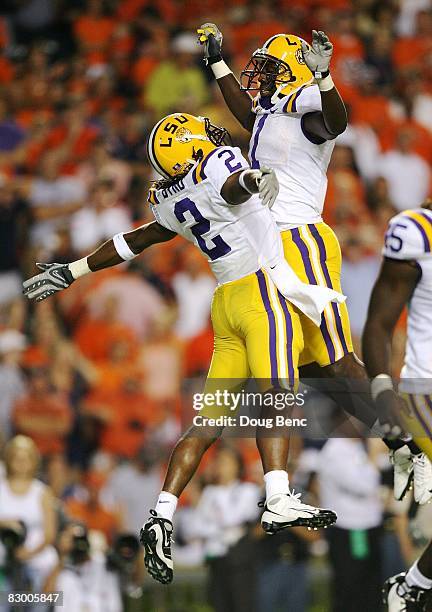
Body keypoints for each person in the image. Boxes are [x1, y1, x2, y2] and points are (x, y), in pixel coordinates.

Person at [23, 112, 343, 584]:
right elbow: (232, 184)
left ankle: (162, 513)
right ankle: (277, 496)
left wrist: (72, 271)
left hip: (225, 305)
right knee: (278, 394)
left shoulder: (170, 196)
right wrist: (255, 177)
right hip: (260, 296)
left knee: (207, 423)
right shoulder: (216, 162)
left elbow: (136, 240)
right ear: (192, 145)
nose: (211, 133)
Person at [197, 22, 432, 504]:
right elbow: (251, 115)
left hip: (301, 242)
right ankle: (399, 441)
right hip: (273, 246)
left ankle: (414, 445)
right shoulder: (273, 108)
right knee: (314, 367)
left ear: (297, 72)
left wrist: (325, 77)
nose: (260, 78)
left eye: (271, 69)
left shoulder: (309, 101)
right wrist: (218, 63)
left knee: (338, 359)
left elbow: (334, 122)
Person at [362, 199, 432, 610]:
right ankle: (411, 587)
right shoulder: (417, 232)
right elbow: (379, 323)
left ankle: (411, 588)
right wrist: (382, 389)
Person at [0, 436, 58, 603]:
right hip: (4, 551)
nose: (21, 462)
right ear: (9, 459)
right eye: (17, 458)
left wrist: (29, 553)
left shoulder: (42, 492)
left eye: (26, 458)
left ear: (33, 461)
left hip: (36, 555)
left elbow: (49, 533)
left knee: (42, 579)